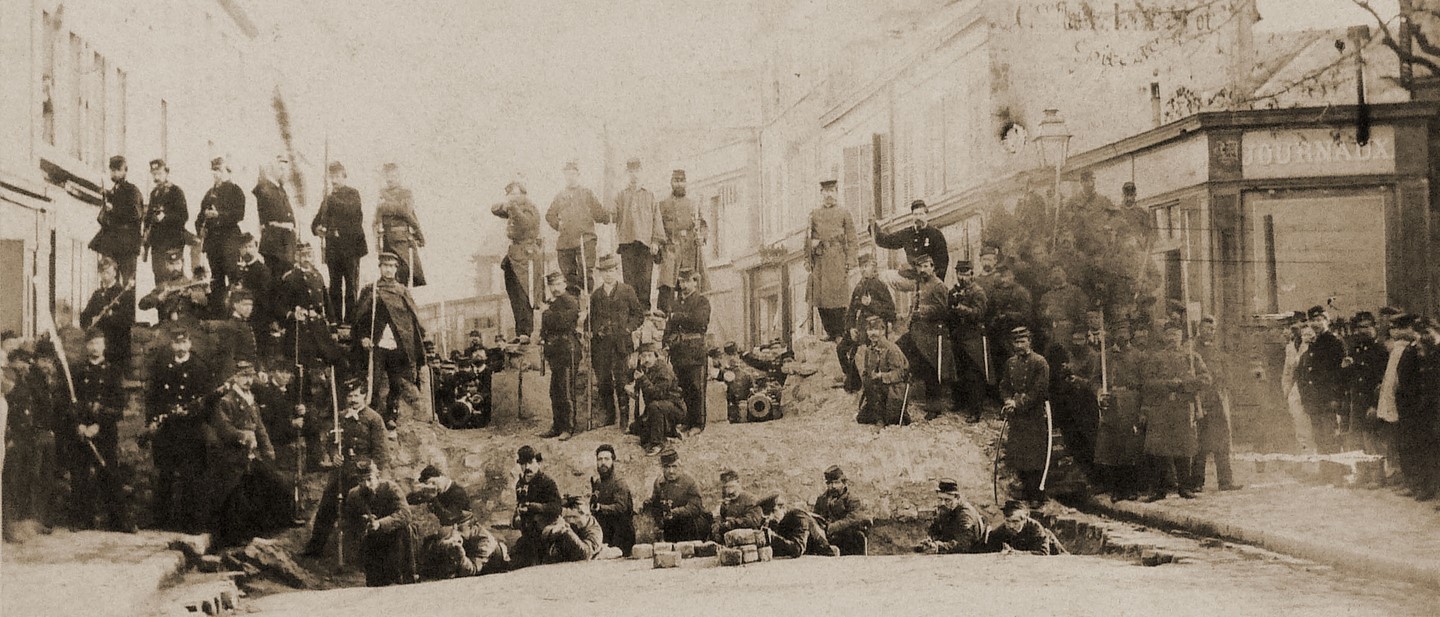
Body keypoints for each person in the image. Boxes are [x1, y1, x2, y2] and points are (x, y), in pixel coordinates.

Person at [300, 377, 391, 558]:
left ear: (364, 396)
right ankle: (314, 549)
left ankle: (369, 554)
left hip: (363, 475)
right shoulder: (340, 417)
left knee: (364, 511)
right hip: (341, 472)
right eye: (350, 396)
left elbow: (381, 453)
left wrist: (372, 473)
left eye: (357, 395)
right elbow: (331, 442)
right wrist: (334, 455)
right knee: (326, 507)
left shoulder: (374, 419)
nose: (353, 400)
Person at [208, 360, 293, 548]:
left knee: (274, 483)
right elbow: (223, 429)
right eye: (243, 376)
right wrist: (242, 436)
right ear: (235, 378)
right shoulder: (226, 400)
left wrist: (268, 448)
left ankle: (268, 529)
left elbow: (260, 427)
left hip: (251, 455)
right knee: (236, 497)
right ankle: (233, 538)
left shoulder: (251, 399)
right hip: (232, 456)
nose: (247, 380)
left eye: (250, 376)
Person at [144, 329, 216, 533]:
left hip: (190, 430)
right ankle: (161, 520)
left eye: (184, 342)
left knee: (191, 475)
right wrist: (153, 421)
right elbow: (153, 398)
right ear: (172, 345)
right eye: (177, 343)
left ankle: (191, 523)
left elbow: (208, 402)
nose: (181, 347)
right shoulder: (163, 367)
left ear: (190, 344)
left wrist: (191, 414)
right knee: (164, 474)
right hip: (167, 429)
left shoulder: (200, 368)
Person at [353, 250, 427, 428]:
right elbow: (360, 318)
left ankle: (390, 416)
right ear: (380, 268)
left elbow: (411, 320)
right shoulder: (371, 290)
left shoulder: (402, 291)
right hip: (376, 345)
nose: (388, 270)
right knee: (375, 382)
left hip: (397, 345)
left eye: (392, 266)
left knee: (396, 383)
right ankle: (374, 417)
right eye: (385, 266)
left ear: (396, 269)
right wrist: (363, 337)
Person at [65, 330, 130, 531]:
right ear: (86, 346)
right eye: (91, 343)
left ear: (104, 346)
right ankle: (81, 519)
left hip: (104, 431)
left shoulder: (113, 371)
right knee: (80, 476)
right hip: (81, 432)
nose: (94, 347)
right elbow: (68, 402)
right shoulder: (76, 371)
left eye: (98, 343)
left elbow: (119, 405)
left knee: (109, 474)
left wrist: (98, 425)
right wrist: (79, 425)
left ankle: (118, 521)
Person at [1142, 321, 1210, 502]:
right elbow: (1147, 383)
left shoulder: (1192, 357)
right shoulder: (1156, 358)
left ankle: (1185, 487)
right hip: (1162, 408)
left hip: (1182, 406)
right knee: (1160, 450)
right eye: (1169, 334)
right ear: (1164, 337)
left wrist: (1185, 383)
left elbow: (1206, 379)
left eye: (1176, 334)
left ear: (1182, 336)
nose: (1172, 338)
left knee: (1183, 448)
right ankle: (1159, 490)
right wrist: (1167, 384)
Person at [897, 254, 956, 417]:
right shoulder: (919, 283)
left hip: (931, 334)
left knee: (931, 369)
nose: (922, 270)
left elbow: (944, 310)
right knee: (898, 352)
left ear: (932, 267)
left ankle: (934, 407)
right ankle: (898, 398)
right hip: (916, 332)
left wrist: (922, 312)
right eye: (920, 267)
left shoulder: (939, 286)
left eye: (926, 266)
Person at [343, 460, 417, 587]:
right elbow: (349, 522)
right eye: (361, 481)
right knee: (375, 585)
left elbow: (405, 514)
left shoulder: (390, 488)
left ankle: (406, 577)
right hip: (372, 541)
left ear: (377, 477)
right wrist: (363, 523)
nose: (366, 484)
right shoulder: (354, 495)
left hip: (395, 539)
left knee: (406, 529)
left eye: (369, 480)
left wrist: (380, 523)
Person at [591, 254, 644, 428]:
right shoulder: (596, 296)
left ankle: (624, 418)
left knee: (622, 380)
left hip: (621, 344)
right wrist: (595, 329)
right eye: (605, 271)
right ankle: (609, 416)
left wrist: (628, 329)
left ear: (616, 271)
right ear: (601, 274)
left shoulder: (626, 290)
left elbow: (639, 315)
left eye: (611, 270)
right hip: (602, 346)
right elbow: (591, 320)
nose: (608, 274)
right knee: (604, 380)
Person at [1000, 326, 1051, 506]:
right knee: (1019, 454)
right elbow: (1004, 385)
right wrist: (1007, 400)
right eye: (1016, 342)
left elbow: (1039, 390)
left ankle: (1036, 495)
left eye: (1022, 341)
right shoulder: (1011, 363)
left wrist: (1019, 403)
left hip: (1033, 415)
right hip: (1017, 417)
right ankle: (1024, 493)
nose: (1019, 345)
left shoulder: (1040, 362)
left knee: (1034, 456)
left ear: (1030, 341)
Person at [312, 161, 368, 322]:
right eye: (332, 177)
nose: (334, 180)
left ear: (344, 177)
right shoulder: (328, 199)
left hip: (351, 248)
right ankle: (335, 320)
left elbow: (351, 209)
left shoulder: (353, 194)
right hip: (333, 249)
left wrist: (330, 199)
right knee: (334, 287)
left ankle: (350, 322)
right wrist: (318, 230)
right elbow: (315, 223)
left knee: (351, 287)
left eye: (337, 176)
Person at [1190, 316, 1241, 493]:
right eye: (1205, 328)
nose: (1209, 332)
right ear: (1199, 329)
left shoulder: (1217, 350)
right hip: (1200, 399)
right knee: (1200, 442)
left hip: (1217, 398)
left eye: (1212, 329)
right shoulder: (1192, 350)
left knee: (1222, 440)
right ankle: (1196, 481)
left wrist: (1226, 389)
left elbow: (1224, 374)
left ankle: (1225, 481)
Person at [806, 178, 857, 341]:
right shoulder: (814, 214)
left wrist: (851, 259)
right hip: (820, 259)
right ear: (821, 193)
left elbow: (852, 238)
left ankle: (841, 332)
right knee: (820, 297)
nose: (829, 195)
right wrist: (808, 258)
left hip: (837, 258)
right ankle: (830, 331)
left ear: (836, 193)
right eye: (826, 192)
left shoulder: (844, 213)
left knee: (839, 295)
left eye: (832, 191)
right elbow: (807, 238)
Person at [547, 160, 608, 296]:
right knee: (568, 275)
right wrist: (558, 224)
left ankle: (589, 304)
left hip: (585, 239)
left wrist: (607, 216)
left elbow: (599, 213)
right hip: (566, 242)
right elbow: (549, 215)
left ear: (578, 175)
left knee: (585, 271)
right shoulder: (560, 196)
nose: (570, 177)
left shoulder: (587, 193)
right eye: (567, 175)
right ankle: (573, 305)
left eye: (573, 174)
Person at [1395, 317, 1439, 500]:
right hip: (1426, 408)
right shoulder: (1428, 353)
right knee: (1429, 449)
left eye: (1425, 333)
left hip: (1433, 407)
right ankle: (1430, 489)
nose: (1420, 339)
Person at [492, 180, 542, 339]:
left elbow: (526, 224)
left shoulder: (530, 208)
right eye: (510, 194)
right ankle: (520, 332)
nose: (512, 197)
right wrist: (506, 206)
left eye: (515, 194)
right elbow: (494, 208)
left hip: (526, 255)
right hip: (513, 255)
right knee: (514, 295)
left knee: (525, 294)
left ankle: (526, 332)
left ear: (523, 194)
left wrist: (512, 207)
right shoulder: (513, 207)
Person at [840, 254, 896, 392]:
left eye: (866, 266)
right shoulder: (859, 287)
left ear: (873, 267)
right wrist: (851, 328)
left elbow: (890, 311)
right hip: (860, 326)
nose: (863, 270)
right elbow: (851, 311)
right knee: (841, 349)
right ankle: (854, 380)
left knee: (867, 356)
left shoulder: (879, 285)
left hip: (875, 326)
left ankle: (870, 385)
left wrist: (871, 304)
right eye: (861, 267)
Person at [611, 157, 662, 309]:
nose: (634, 175)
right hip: (627, 243)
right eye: (630, 172)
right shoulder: (621, 195)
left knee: (645, 279)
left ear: (641, 172)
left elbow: (656, 218)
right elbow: (612, 215)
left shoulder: (649, 195)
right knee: (629, 279)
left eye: (636, 171)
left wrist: (656, 241)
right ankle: (631, 310)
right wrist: (610, 211)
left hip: (645, 244)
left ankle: (645, 311)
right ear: (627, 174)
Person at [665, 268, 711, 435]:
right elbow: (669, 326)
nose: (683, 285)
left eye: (686, 281)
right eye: (681, 282)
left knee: (696, 387)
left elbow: (699, 321)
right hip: (678, 351)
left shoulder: (702, 301)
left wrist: (678, 317)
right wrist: (665, 343)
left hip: (695, 350)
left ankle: (698, 424)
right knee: (682, 387)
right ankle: (686, 421)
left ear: (695, 282)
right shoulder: (675, 303)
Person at [198, 157, 246, 313]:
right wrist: (200, 228)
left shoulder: (235, 191)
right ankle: (218, 315)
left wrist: (219, 215)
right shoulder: (209, 194)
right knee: (216, 280)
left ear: (227, 171)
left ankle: (235, 314)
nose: (216, 175)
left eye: (219, 171)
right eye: (214, 171)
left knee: (233, 276)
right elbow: (200, 217)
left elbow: (239, 214)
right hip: (213, 244)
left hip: (229, 242)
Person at [656, 169, 707, 312]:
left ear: (686, 183)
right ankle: (666, 314)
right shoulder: (663, 204)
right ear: (671, 183)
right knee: (668, 284)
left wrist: (701, 237)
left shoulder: (693, 204)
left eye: (682, 181)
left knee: (691, 282)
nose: (679, 184)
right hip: (671, 248)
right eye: (676, 181)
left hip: (690, 249)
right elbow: (658, 227)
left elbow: (702, 224)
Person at [1298, 306, 1347, 454]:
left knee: (1331, 437)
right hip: (1315, 400)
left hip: (1328, 400)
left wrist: (1335, 397)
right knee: (1319, 438)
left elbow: (1340, 373)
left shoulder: (1334, 342)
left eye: (1319, 320)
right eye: (1313, 320)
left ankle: (1336, 474)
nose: (1316, 324)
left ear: (1327, 320)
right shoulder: (1314, 343)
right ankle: (1326, 473)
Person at [539, 271, 580, 440]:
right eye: (551, 285)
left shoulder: (570, 301)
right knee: (554, 391)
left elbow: (562, 322)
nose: (554, 288)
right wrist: (542, 337)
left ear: (564, 284)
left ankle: (568, 428)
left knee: (566, 391)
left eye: (557, 284)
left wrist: (546, 313)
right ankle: (557, 426)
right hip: (555, 351)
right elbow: (547, 327)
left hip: (567, 350)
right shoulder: (553, 303)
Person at [90, 155, 144, 282]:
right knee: (109, 280)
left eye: (118, 170)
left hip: (127, 244)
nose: (114, 173)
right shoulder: (114, 191)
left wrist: (113, 210)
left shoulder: (132, 191)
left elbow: (135, 214)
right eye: (112, 170)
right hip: (113, 243)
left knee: (127, 282)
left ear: (125, 171)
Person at [948, 260, 990, 421]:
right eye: (959, 273)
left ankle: (975, 410)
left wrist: (962, 309)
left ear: (972, 274)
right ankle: (960, 402)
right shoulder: (955, 291)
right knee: (958, 370)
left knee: (974, 375)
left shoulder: (978, 292)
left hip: (973, 337)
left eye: (965, 273)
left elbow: (980, 313)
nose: (962, 277)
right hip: (959, 335)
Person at [871, 199, 948, 285]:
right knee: (883, 277)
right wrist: (873, 226)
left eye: (921, 214)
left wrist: (935, 283)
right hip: (912, 278)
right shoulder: (907, 233)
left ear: (926, 215)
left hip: (929, 279)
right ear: (912, 216)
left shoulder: (935, 234)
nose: (918, 217)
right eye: (915, 214)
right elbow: (886, 241)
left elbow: (943, 262)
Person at [511, 445, 563, 568]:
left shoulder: (547, 482)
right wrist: (517, 515)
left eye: (530, 462)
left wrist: (535, 507)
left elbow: (557, 508)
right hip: (529, 536)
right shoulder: (520, 484)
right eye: (523, 464)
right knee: (512, 561)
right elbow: (519, 505)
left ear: (537, 462)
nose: (527, 467)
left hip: (547, 536)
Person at [375, 163, 426, 287]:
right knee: (392, 274)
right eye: (387, 176)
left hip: (403, 240)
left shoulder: (405, 193)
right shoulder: (382, 195)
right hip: (388, 240)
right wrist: (377, 240)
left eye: (393, 175)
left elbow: (409, 213)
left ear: (398, 176)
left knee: (411, 273)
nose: (390, 179)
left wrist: (419, 234)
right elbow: (377, 219)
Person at [644, 447, 710, 542]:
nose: (671, 471)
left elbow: (695, 508)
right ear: (662, 468)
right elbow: (656, 505)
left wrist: (675, 513)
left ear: (680, 466)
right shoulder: (659, 483)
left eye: (674, 466)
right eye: (667, 467)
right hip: (670, 528)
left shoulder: (689, 482)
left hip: (690, 527)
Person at [1345, 312, 1388, 455]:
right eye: (1360, 327)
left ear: (1374, 327)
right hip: (1358, 403)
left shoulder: (1381, 350)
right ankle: (1363, 476)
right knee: (1358, 446)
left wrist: (1375, 405)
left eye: (1366, 326)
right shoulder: (1355, 349)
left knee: (1375, 445)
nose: (1363, 331)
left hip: (1373, 404)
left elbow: (1384, 381)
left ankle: (1377, 477)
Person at [632, 342, 685, 455]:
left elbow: (658, 394)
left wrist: (643, 379)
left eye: (650, 355)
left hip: (674, 407)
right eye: (643, 356)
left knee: (655, 406)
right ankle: (671, 431)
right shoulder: (644, 369)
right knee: (636, 428)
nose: (647, 359)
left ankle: (657, 444)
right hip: (657, 409)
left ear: (656, 356)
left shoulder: (663, 369)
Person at [79, 259, 135, 366]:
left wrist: (111, 316)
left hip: (117, 348)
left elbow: (128, 320)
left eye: (108, 272)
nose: (105, 276)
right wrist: (91, 320)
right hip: (98, 350)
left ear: (115, 273)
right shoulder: (97, 294)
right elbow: (84, 317)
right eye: (102, 273)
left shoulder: (124, 293)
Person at [855, 315, 909, 426]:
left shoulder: (891, 349)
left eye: (876, 329)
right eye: (869, 330)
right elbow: (867, 371)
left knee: (891, 419)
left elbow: (900, 374)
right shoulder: (869, 350)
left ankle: (888, 415)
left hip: (893, 388)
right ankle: (878, 414)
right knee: (861, 418)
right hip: (877, 389)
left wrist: (882, 376)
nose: (872, 333)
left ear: (883, 330)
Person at [424, 509, 507, 579]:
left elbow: (473, 570)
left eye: (460, 528)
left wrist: (461, 556)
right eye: (454, 528)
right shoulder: (465, 535)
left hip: (490, 570)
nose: (456, 532)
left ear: (473, 528)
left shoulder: (485, 542)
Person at [145, 159, 191, 281]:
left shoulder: (176, 191)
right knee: (159, 277)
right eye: (154, 174)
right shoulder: (154, 194)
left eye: (159, 173)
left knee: (175, 276)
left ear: (166, 172)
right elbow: (149, 218)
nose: (156, 177)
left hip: (172, 242)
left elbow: (184, 216)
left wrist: (166, 217)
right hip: (157, 244)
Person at [915, 478, 986, 554]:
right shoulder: (944, 510)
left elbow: (964, 545)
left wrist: (939, 547)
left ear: (957, 498)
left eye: (947, 500)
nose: (942, 503)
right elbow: (934, 530)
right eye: (940, 499)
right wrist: (929, 541)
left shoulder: (965, 514)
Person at [138, 248, 208, 325]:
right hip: (167, 329)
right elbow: (142, 304)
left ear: (182, 264)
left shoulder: (190, 283)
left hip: (188, 327)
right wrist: (159, 298)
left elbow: (205, 301)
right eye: (171, 264)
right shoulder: (163, 286)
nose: (175, 267)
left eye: (177, 263)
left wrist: (191, 295)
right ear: (166, 265)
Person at [255, 155, 298, 276]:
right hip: (275, 244)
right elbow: (272, 216)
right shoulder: (265, 187)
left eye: (285, 169)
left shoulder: (280, 189)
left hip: (285, 244)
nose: (284, 173)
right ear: (272, 170)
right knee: (277, 281)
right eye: (281, 169)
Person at [812, 465, 870, 556]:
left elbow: (852, 519)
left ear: (844, 483)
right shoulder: (822, 499)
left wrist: (832, 527)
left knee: (857, 536)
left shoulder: (852, 499)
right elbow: (816, 516)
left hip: (848, 536)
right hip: (828, 536)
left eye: (836, 482)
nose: (833, 486)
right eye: (830, 483)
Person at [233, 234, 276, 354]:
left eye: (250, 246)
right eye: (244, 247)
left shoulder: (262, 270)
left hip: (259, 315)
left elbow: (265, 295)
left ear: (256, 247)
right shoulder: (239, 270)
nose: (247, 250)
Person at [589, 444, 635, 556]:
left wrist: (600, 507)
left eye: (606, 459)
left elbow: (621, 508)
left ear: (613, 461)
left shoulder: (619, 482)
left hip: (621, 535)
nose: (603, 462)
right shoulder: (598, 483)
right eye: (600, 459)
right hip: (606, 533)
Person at [758, 494, 833, 558]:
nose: (771, 517)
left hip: (822, 556)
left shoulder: (798, 517)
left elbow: (798, 549)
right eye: (768, 515)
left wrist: (772, 537)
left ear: (782, 508)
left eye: (773, 512)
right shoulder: (776, 521)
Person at [984, 500, 1066, 555]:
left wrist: (1018, 553)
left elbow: (1043, 553)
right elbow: (990, 551)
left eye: (1015, 522)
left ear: (1025, 519)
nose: (1011, 526)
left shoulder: (1036, 529)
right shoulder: (1000, 531)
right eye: (1008, 521)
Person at [541, 496, 606, 563]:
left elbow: (585, 554)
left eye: (575, 516)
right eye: (570, 516)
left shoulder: (594, 530)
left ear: (587, 515)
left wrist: (566, 531)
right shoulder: (571, 523)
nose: (572, 520)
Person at [406, 465, 472, 527]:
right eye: (429, 484)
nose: (434, 486)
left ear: (442, 477)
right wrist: (420, 492)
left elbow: (449, 518)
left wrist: (433, 500)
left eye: (434, 482)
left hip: (461, 528)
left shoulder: (458, 493)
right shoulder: (435, 491)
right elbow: (408, 501)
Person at [711, 469, 763, 542]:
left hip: (748, 542)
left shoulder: (751, 500)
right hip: (729, 542)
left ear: (738, 483)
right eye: (726, 487)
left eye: (732, 486)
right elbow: (720, 518)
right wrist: (716, 526)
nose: (730, 491)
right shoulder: (726, 503)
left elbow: (753, 521)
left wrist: (731, 523)